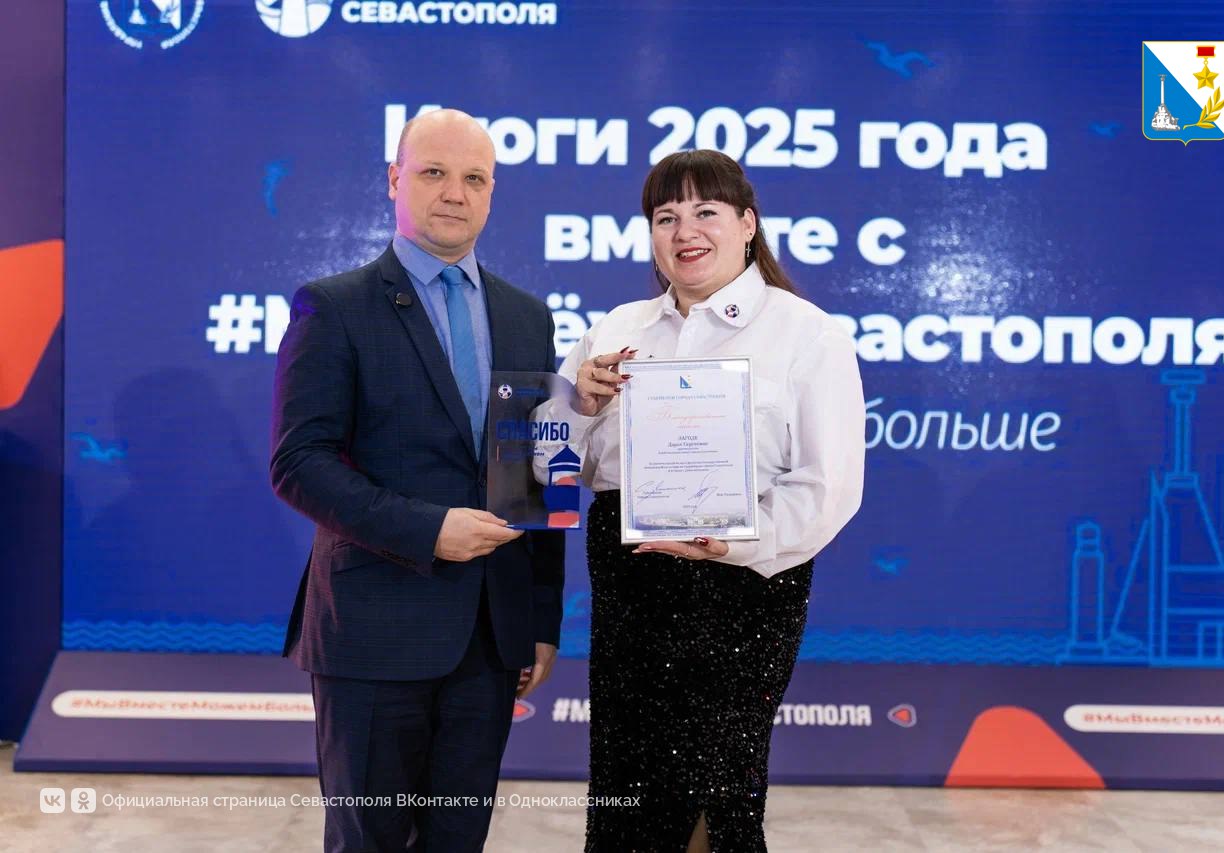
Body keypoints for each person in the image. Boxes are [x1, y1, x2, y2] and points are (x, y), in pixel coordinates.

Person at [270, 109, 564, 852]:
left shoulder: (529, 318)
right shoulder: (334, 306)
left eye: (475, 178)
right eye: (434, 172)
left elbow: (536, 472)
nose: (455, 193)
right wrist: (428, 529)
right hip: (373, 633)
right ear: (395, 180)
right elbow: (299, 462)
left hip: (491, 640)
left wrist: (540, 619)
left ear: (492, 193)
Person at [558, 150, 865, 851]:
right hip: (632, 586)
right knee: (627, 797)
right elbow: (544, 470)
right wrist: (577, 407)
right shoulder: (616, 329)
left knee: (714, 802)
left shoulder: (807, 333)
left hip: (741, 596)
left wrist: (737, 541)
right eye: (666, 217)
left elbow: (830, 485)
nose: (685, 231)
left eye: (706, 212)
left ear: (747, 223)